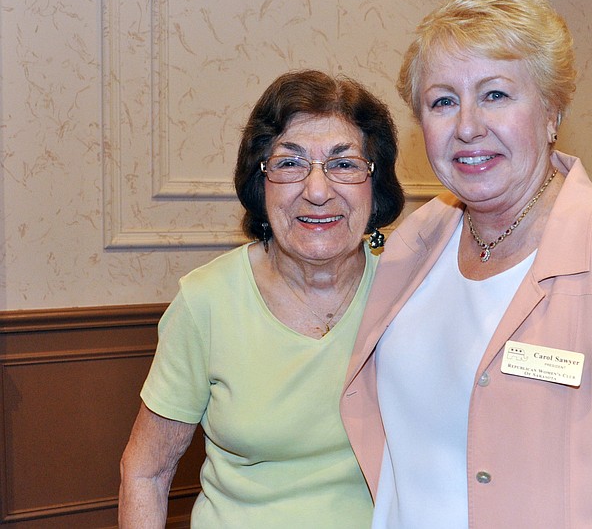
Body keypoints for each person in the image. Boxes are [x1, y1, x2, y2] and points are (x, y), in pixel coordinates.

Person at [340, 0, 592, 528]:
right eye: (443, 101)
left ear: (552, 112)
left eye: (495, 94)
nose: (467, 126)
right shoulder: (415, 243)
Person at [119, 69, 404, 527]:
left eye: (343, 163)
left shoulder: (411, 286)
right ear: (261, 180)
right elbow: (145, 473)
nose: (316, 190)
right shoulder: (206, 302)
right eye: (290, 163)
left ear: (376, 183)